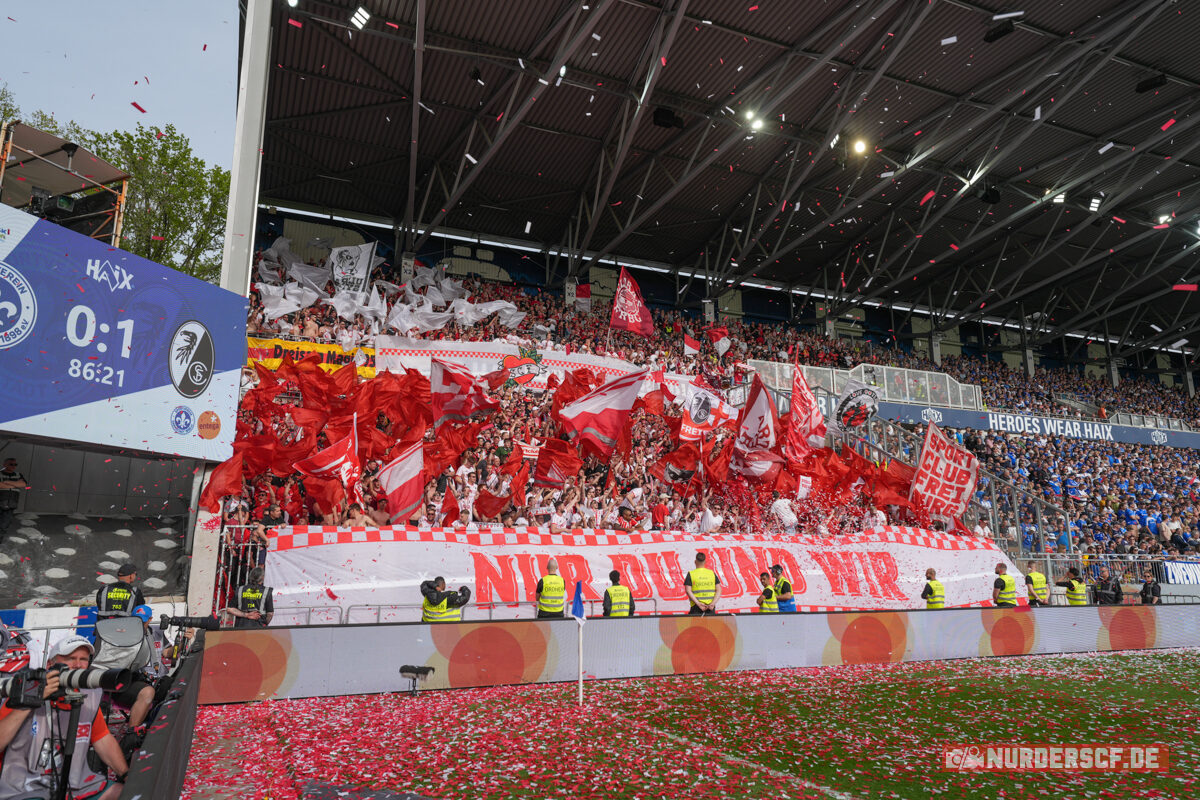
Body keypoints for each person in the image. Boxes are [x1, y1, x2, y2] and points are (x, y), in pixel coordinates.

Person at [0, 636, 129, 800]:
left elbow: (102, 738)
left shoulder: (86, 696)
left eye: (83, 659)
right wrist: (31, 700)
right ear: (49, 665)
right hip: (24, 787)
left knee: (124, 793)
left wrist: (126, 775)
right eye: (70, 658)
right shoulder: (23, 692)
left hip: (74, 784)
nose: (78, 665)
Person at [91, 606, 162, 731]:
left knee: (158, 689)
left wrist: (183, 642)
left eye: (142, 620)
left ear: (150, 619)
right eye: (136, 620)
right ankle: (131, 734)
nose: (139, 623)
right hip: (110, 678)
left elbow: (168, 653)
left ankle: (136, 732)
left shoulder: (153, 633)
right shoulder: (120, 632)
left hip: (132, 678)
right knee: (148, 691)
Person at [0, 457, 27, 541]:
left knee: (5, 524)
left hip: (11, 503)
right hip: (0, 501)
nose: (13, 466)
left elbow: (23, 484)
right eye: (11, 464)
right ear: (4, 464)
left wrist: (7, 482)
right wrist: (15, 484)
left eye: (15, 464)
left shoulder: (18, 474)